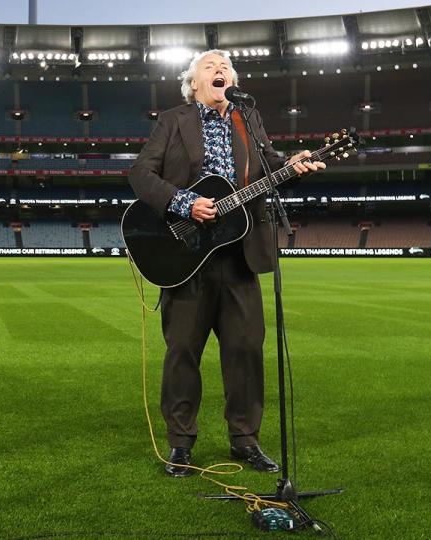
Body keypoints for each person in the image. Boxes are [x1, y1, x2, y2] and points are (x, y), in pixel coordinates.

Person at [128, 50, 325, 477]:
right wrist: (184, 202)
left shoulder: (247, 118)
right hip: (186, 255)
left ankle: (245, 439)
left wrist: (292, 165)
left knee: (246, 350)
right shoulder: (173, 119)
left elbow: (268, 165)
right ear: (194, 83)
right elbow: (141, 173)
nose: (221, 70)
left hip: (241, 252)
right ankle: (180, 444)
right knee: (183, 351)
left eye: (226, 67)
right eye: (210, 66)